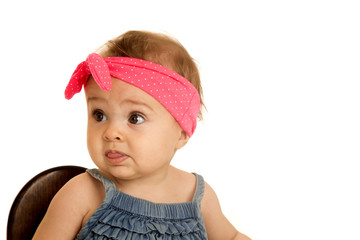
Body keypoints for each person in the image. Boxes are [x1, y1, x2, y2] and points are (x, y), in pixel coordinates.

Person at [33, 30, 250, 240]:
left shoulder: (196, 196)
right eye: (99, 115)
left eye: (135, 118)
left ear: (182, 133)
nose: (111, 133)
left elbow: (232, 237)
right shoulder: (82, 194)